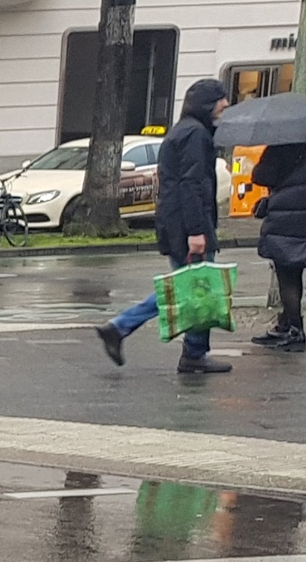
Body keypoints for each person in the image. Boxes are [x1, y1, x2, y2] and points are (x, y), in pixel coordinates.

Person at [98, 78, 229, 374]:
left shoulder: (184, 131)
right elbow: (192, 184)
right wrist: (197, 231)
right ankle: (189, 351)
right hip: (187, 224)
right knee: (193, 288)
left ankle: (127, 330)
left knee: (188, 286)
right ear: (209, 103)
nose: (226, 104)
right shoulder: (196, 135)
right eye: (222, 99)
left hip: (175, 221)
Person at [247, 140, 306, 354]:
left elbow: (260, 175)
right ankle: (287, 323)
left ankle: (294, 329)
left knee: (288, 274)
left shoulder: (282, 147)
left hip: (287, 218)